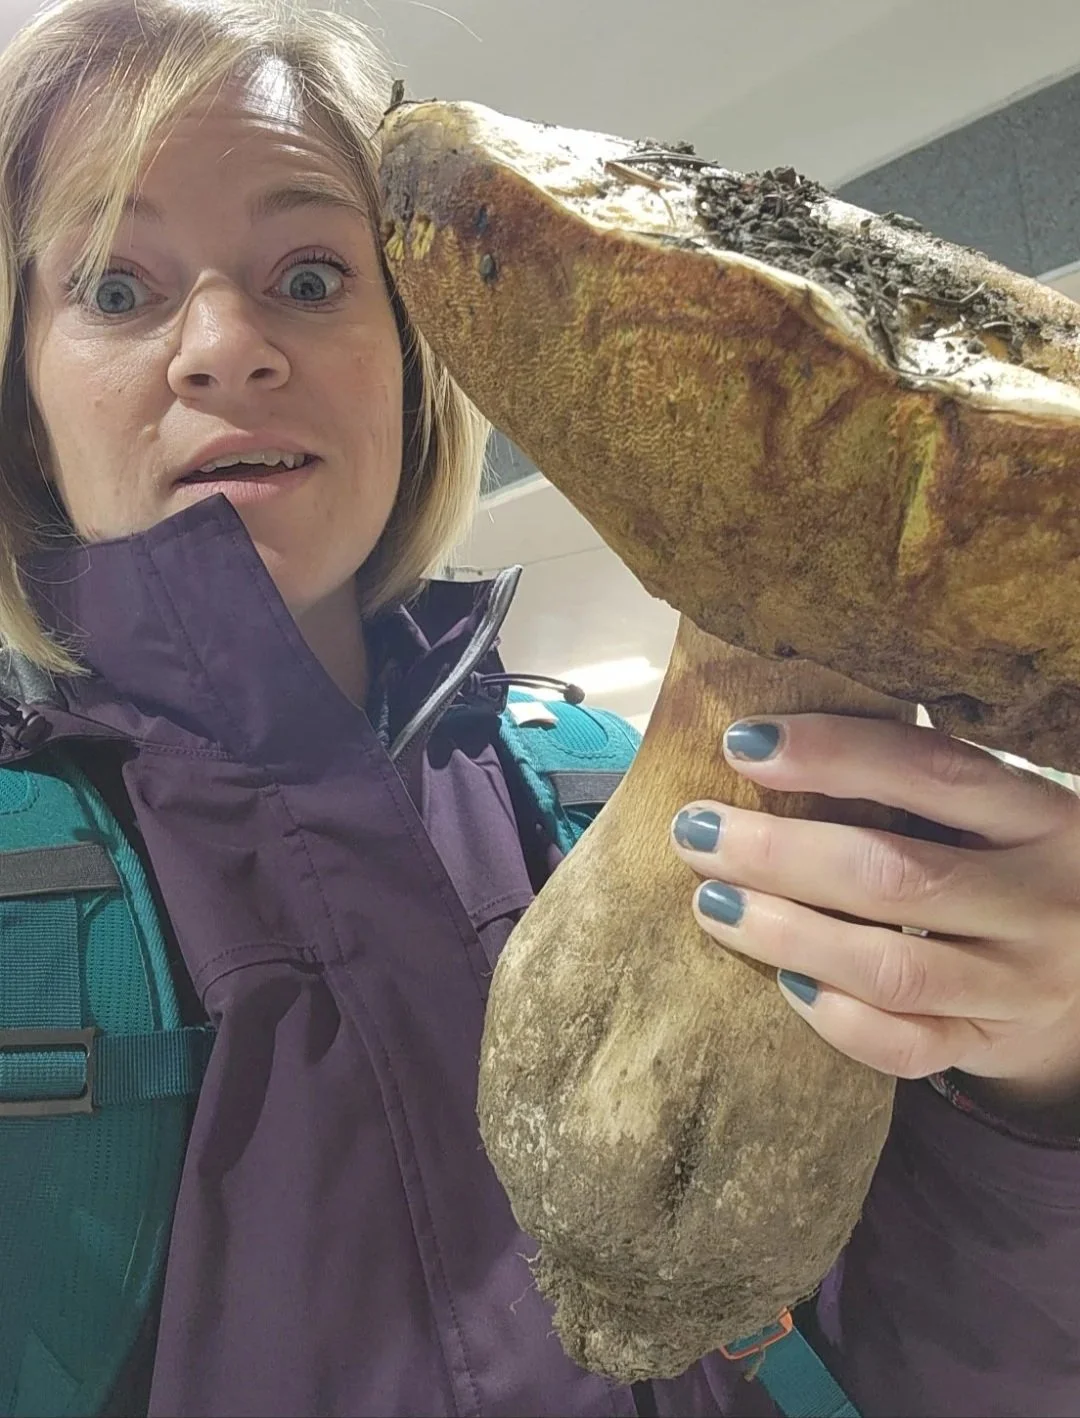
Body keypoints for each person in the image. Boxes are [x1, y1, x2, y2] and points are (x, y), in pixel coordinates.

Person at [1, 1, 1079, 1415]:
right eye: (115, 288)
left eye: (312, 274)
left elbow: (942, 1370)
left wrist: (1041, 1097)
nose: (224, 346)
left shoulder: (610, 786)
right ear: (23, 402)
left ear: (418, 355)